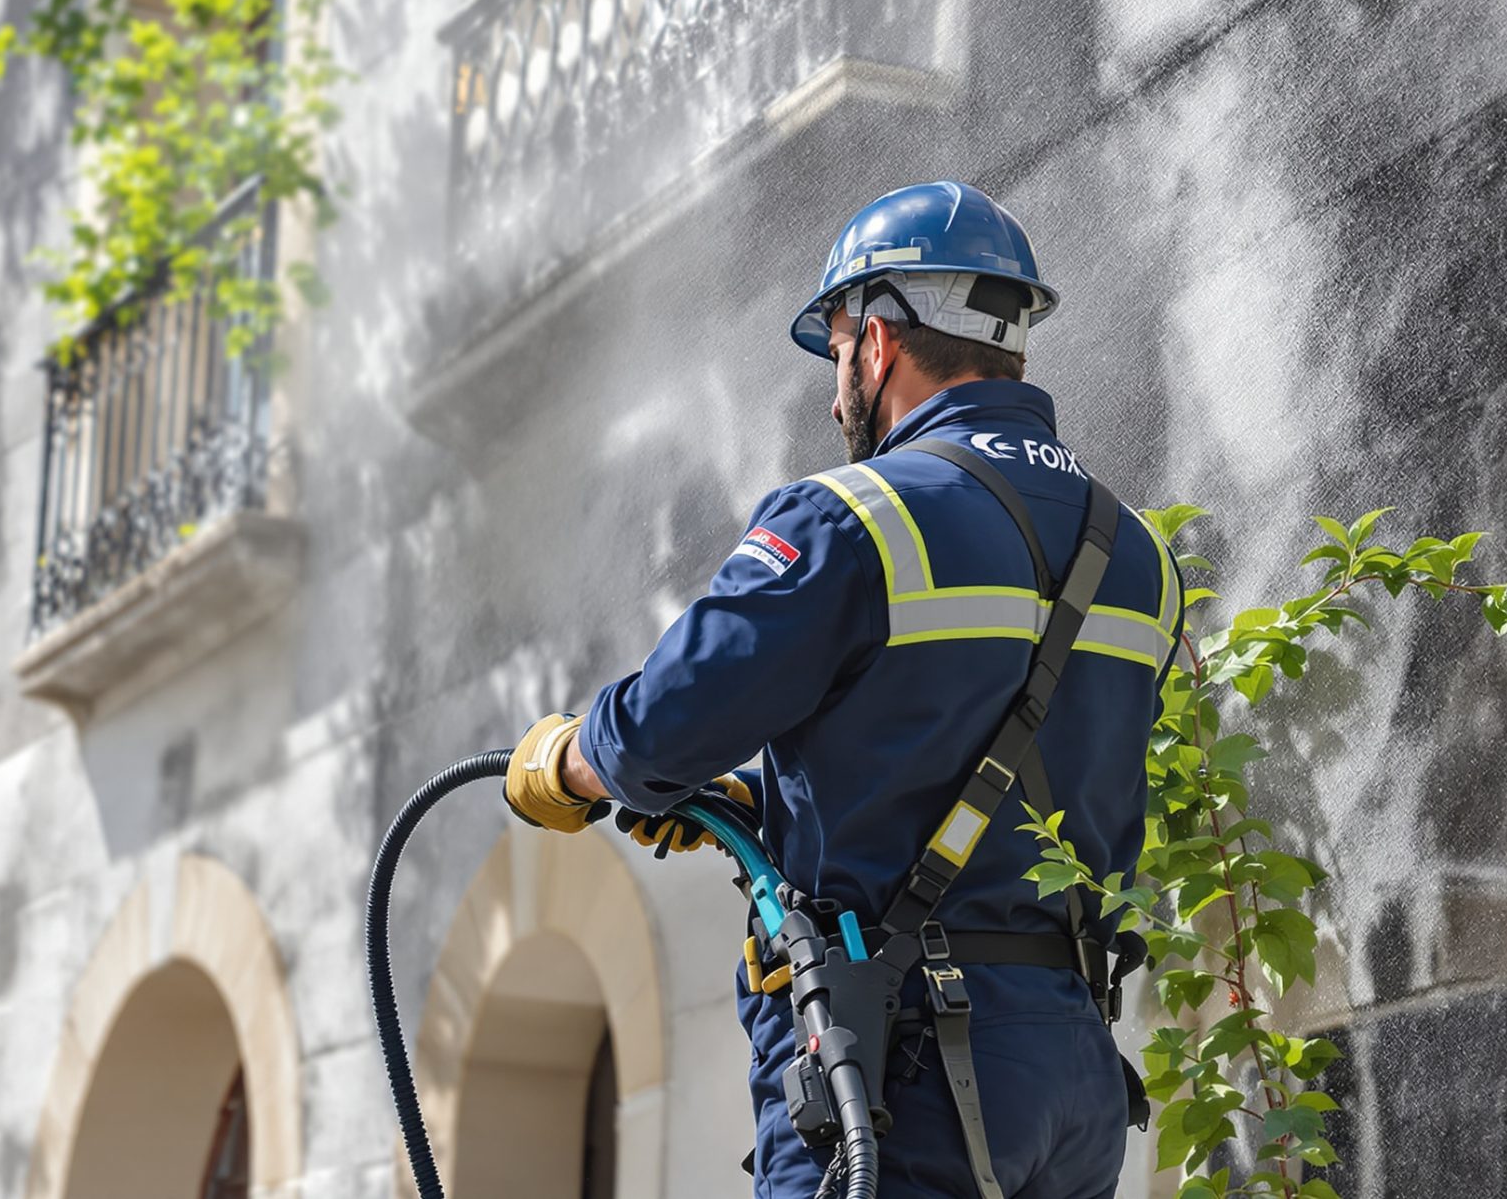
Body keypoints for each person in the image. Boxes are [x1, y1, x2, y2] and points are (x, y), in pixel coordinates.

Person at [502, 181, 1187, 1199]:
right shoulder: (1136, 553)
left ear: (877, 341)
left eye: (835, 353)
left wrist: (565, 762)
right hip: (1069, 1076)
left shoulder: (851, 518)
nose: (834, 393)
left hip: (901, 1071)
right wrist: (771, 808)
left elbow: (651, 737)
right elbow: (1004, 752)